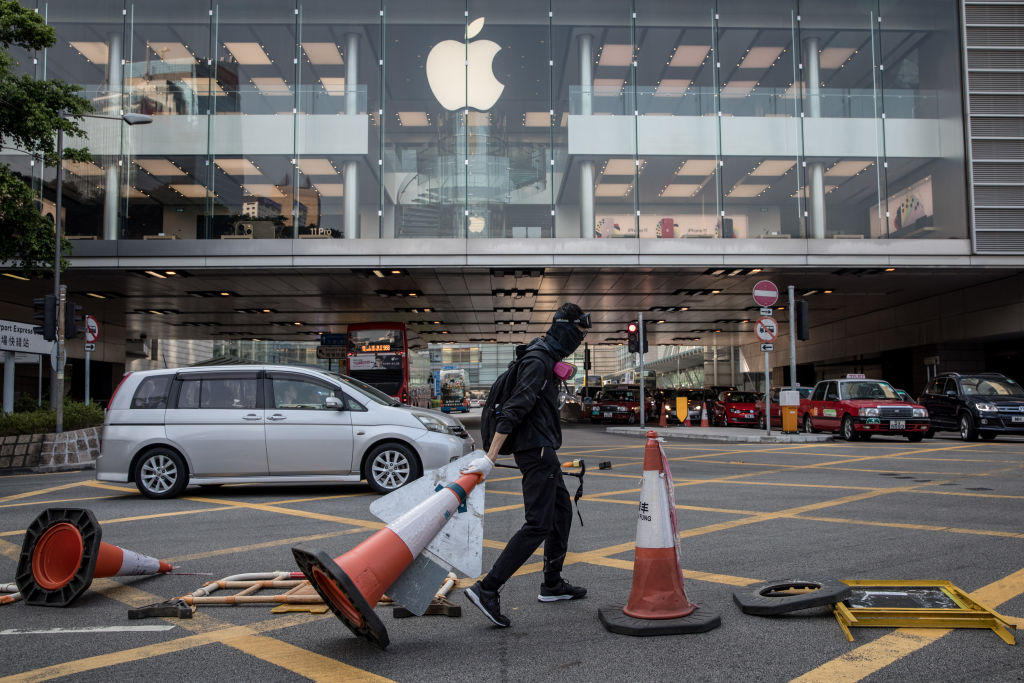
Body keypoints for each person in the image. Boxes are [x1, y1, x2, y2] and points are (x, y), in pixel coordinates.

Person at [461, 302, 592, 628]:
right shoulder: (538, 360)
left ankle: (552, 583)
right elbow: (515, 408)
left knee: (561, 511)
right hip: (536, 452)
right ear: (565, 328)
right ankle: (487, 588)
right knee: (538, 523)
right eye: (578, 332)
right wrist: (490, 457)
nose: (579, 339)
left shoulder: (543, 355)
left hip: (542, 449)